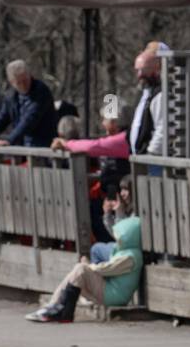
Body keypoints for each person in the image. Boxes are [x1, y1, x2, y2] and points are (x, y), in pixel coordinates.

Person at [27, 214, 143, 323]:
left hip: (114, 296)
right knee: (78, 272)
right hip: (110, 291)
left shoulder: (131, 257)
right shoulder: (125, 251)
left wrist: (88, 265)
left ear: (129, 238)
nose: (117, 240)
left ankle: (58, 309)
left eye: (120, 238)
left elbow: (107, 269)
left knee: (81, 269)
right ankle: (57, 308)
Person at [51, 101, 133, 244]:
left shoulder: (122, 139)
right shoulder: (120, 138)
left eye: (105, 119)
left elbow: (94, 146)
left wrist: (66, 144)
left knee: (107, 231)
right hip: (110, 193)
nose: (102, 123)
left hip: (118, 196)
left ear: (115, 121)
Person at [0, 60, 58, 151]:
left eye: (25, 81)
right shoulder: (12, 96)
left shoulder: (41, 92)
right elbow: (1, 120)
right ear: (11, 82)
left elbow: (29, 119)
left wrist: (9, 140)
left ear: (29, 75)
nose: (23, 86)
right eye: (18, 83)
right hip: (22, 145)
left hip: (42, 145)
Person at [130, 42, 169, 156]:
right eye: (137, 70)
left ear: (158, 68)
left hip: (151, 160)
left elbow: (163, 127)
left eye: (143, 70)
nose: (139, 75)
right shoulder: (144, 93)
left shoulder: (160, 94)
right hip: (138, 157)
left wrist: (151, 153)